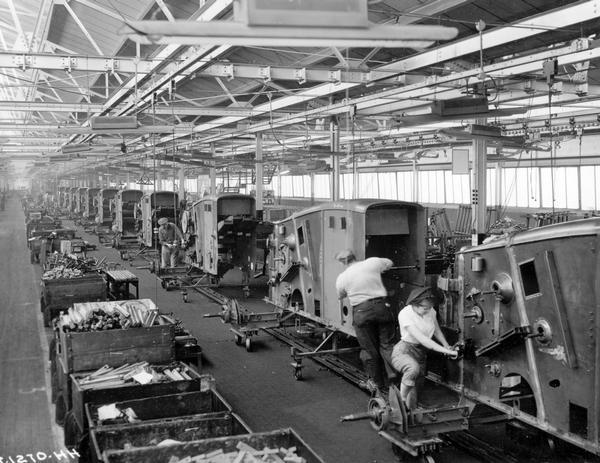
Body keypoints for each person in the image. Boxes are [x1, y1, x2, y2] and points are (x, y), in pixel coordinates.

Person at [335, 249, 397, 395]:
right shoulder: (372, 262)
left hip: (362, 312)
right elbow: (389, 263)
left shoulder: (343, 277)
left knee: (369, 350)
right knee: (387, 345)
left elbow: (340, 295)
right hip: (382, 307)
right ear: (355, 257)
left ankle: (376, 383)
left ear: (343, 262)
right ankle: (394, 379)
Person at [391, 286, 458, 411]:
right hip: (404, 350)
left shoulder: (430, 311)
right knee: (412, 369)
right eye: (424, 308)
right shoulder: (405, 314)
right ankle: (401, 401)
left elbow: (437, 331)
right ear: (414, 304)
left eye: (429, 308)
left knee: (417, 386)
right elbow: (424, 340)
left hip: (421, 353)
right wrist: (447, 351)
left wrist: (446, 345)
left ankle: (411, 413)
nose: (427, 311)